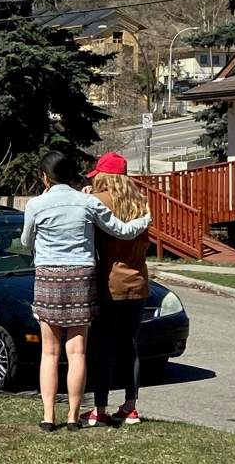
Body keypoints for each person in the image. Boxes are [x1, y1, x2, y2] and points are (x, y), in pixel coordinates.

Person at [21, 150, 151, 432]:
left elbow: (25, 240)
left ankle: (48, 416)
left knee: (50, 352)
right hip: (87, 276)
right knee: (79, 350)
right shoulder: (92, 202)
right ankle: (73, 416)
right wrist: (144, 220)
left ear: (44, 177)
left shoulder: (36, 204)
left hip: (50, 275)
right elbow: (122, 230)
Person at [84, 153, 151, 428]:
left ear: (104, 176)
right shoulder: (141, 203)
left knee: (102, 346)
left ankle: (99, 408)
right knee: (130, 345)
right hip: (138, 281)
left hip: (109, 282)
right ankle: (131, 406)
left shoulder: (97, 202)